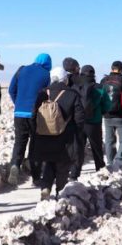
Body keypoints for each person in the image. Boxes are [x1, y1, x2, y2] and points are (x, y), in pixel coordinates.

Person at [28, 68, 85, 200]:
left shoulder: (42, 93)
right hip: (65, 139)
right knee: (62, 167)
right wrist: (76, 134)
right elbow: (80, 119)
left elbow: (33, 116)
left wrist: (36, 132)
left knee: (49, 164)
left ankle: (46, 188)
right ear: (65, 79)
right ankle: (61, 194)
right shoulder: (72, 94)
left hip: (43, 137)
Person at [7, 53, 51, 186]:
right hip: (35, 114)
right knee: (35, 146)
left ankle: (15, 165)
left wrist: (18, 103)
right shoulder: (45, 74)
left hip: (19, 113)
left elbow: (11, 90)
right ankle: (36, 178)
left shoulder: (21, 69)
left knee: (19, 142)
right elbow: (46, 95)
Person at [72, 64, 111, 177]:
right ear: (94, 75)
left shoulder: (76, 86)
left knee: (78, 148)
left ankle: (74, 174)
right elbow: (107, 105)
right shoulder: (99, 88)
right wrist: (100, 112)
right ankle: (100, 171)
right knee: (96, 148)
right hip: (94, 122)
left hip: (78, 122)